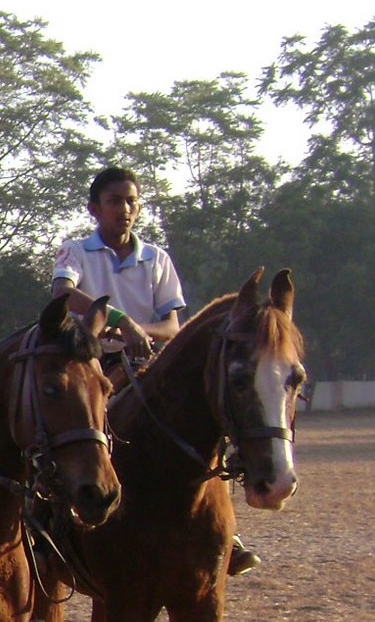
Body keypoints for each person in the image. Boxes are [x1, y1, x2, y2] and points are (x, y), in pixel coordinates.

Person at [51, 164, 259, 576]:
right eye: (114, 201)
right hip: (93, 362)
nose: (124, 209)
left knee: (203, 422)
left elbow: (173, 326)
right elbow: (63, 294)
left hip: (151, 362)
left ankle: (223, 529)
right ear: (95, 209)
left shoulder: (156, 258)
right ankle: (52, 521)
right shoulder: (75, 251)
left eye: (131, 201)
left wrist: (138, 331)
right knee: (78, 427)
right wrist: (120, 321)